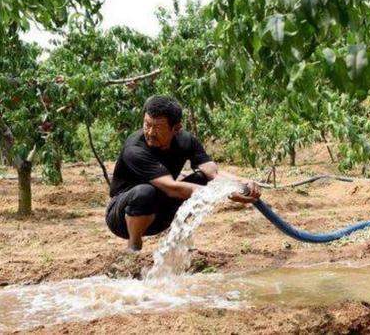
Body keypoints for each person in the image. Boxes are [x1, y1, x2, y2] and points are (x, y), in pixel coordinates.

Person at [105, 95, 261, 252]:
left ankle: (179, 242)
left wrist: (240, 182)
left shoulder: (186, 141)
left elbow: (213, 172)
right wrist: (223, 192)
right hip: (121, 218)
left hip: (161, 215)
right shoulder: (135, 149)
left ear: (176, 128)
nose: (150, 133)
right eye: (147, 125)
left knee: (202, 178)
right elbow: (172, 188)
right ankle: (133, 247)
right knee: (145, 191)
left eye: (158, 128)